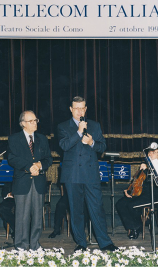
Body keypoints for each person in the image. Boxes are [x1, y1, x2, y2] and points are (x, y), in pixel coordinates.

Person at [57, 96, 118, 252]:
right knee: (76, 210)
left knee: (97, 208)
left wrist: (91, 143)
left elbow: (102, 146)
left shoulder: (95, 126)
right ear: (71, 109)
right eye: (76, 108)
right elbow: (64, 145)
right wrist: (78, 133)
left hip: (90, 174)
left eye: (82, 108)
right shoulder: (63, 126)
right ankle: (81, 243)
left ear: (86, 108)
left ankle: (105, 242)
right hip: (73, 175)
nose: (80, 111)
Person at [8, 110, 53, 250]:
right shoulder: (14, 139)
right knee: (21, 216)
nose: (35, 123)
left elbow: (48, 159)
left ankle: (34, 245)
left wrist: (40, 165)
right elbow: (12, 158)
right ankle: (21, 246)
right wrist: (29, 167)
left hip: (38, 182)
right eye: (31, 121)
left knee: (38, 216)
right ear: (23, 124)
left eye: (35, 120)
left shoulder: (42, 139)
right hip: (22, 182)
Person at [116, 146, 158, 239]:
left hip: (152, 196)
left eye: (153, 152)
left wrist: (147, 169)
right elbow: (136, 182)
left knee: (131, 205)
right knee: (120, 203)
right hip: (139, 195)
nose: (150, 153)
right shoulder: (143, 167)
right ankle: (135, 226)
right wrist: (129, 191)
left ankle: (136, 227)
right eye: (149, 152)